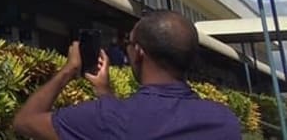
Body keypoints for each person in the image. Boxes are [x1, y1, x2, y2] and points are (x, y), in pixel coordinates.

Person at [12, 10, 241, 140]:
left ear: (139, 52)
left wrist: (68, 70)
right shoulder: (225, 121)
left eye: (128, 43)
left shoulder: (106, 119)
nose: (126, 49)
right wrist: (104, 92)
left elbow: (25, 121)